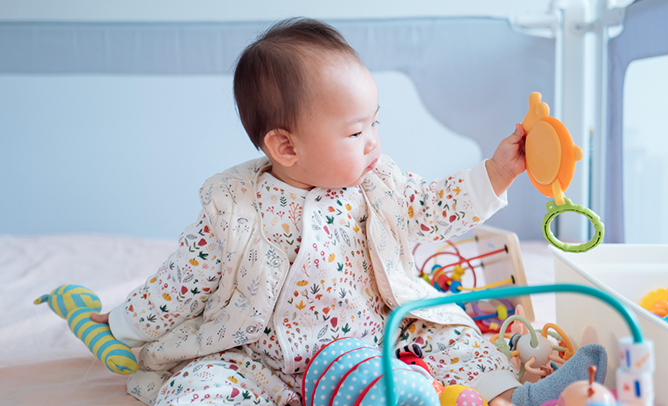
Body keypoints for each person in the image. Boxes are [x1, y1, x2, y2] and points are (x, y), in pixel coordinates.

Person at [92, 17, 606, 406]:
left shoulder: (378, 186)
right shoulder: (233, 208)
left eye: (375, 123)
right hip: (265, 359)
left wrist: (497, 170)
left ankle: (511, 397)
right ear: (285, 147)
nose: (373, 143)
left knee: (456, 339)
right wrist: (120, 324)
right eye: (356, 132)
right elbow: (181, 281)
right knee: (197, 387)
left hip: (381, 339)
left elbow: (433, 207)